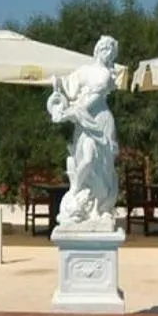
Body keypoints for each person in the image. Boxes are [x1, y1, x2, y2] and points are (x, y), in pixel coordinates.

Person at [45, 35, 120, 231]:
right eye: (105, 50)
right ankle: (76, 193)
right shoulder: (84, 71)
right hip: (83, 123)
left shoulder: (105, 75)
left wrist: (67, 113)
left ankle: (98, 208)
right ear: (97, 50)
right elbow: (69, 90)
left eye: (111, 52)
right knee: (85, 159)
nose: (107, 54)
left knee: (101, 166)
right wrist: (58, 86)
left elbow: (88, 104)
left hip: (100, 121)